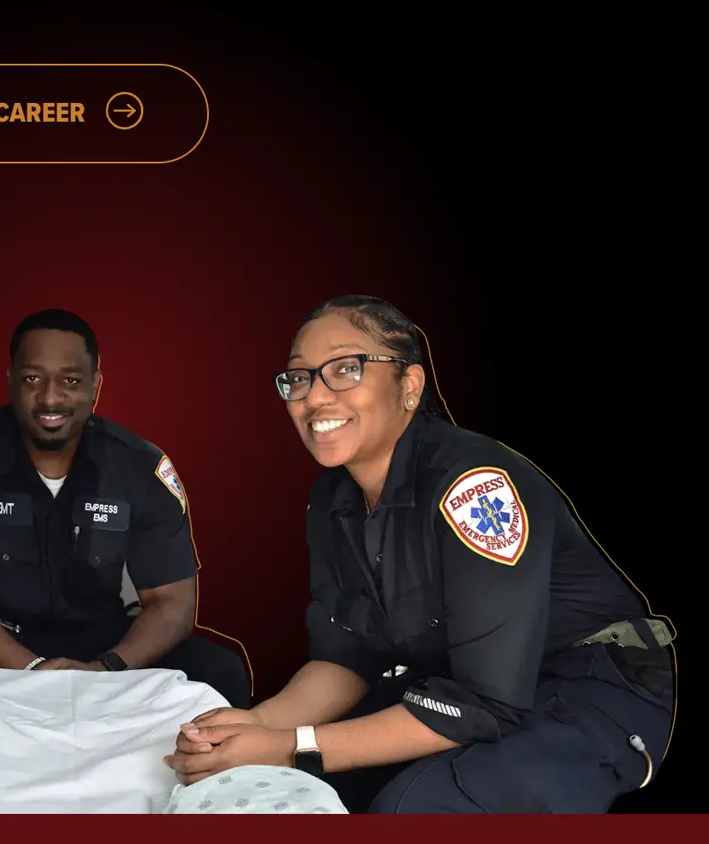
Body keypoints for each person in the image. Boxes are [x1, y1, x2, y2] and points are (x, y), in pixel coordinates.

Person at [166, 294, 675, 813]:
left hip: (590, 683)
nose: (313, 397)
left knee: (409, 810)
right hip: (458, 684)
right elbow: (348, 656)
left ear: (409, 386)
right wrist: (259, 723)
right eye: (299, 378)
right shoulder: (331, 500)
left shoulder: (475, 485)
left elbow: (487, 702)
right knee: (283, 785)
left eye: (345, 368)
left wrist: (291, 747)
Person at [0, 308, 249, 734]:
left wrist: (107, 670)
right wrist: (31, 668)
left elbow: (173, 604)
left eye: (70, 381)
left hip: (105, 648)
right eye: (33, 379)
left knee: (219, 671)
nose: (50, 399)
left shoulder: (139, 466)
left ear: (95, 385)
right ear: (10, 380)